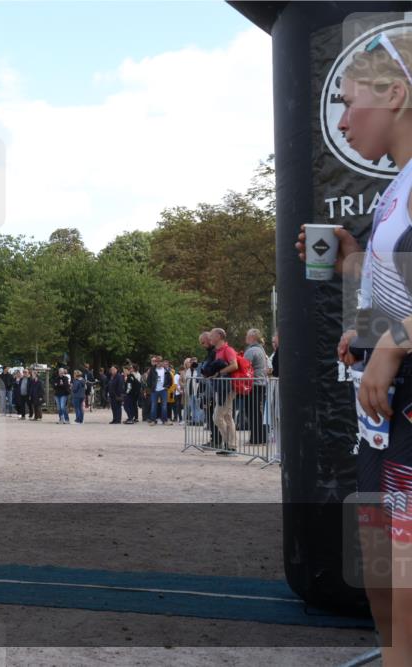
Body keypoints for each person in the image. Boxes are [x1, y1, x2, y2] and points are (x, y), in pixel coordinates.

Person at [294, 34, 412, 663]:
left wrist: (395, 343)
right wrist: (358, 277)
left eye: (349, 101)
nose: (341, 119)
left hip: (405, 420)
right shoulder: (396, 189)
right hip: (379, 427)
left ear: (395, 94)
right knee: (381, 577)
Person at [209, 328, 239, 453]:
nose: (210, 337)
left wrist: (219, 372)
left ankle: (229, 444)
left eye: (212, 335)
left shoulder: (228, 350)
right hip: (222, 387)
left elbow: (234, 365)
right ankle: (230, 445)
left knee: (217, 417)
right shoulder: (218, 351)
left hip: (227, 388)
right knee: (227, 417)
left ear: (219, 336)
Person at [243, 329, 269, 444]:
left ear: (252, 337)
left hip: (253, 384)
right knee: (257, 412)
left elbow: (244, 366)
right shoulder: (261, 350)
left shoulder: (252, 350)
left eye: (247, 335)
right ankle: (260, 437)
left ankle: (256, 438)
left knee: (252, 411)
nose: (245, 337)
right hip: (260, 383)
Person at [146, 356, 173, 425]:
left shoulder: (166, 370)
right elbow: (148, 380)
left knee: (164, 406)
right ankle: (153, 420)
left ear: (162, 362)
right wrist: (151, 388)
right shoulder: (152, 370)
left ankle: (165, 420)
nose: (158, 363)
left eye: (160, 361)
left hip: (163, 390)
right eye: (157, 361)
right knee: (153, 405)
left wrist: (167, 387)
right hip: (154, 390)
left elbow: (170, 380)